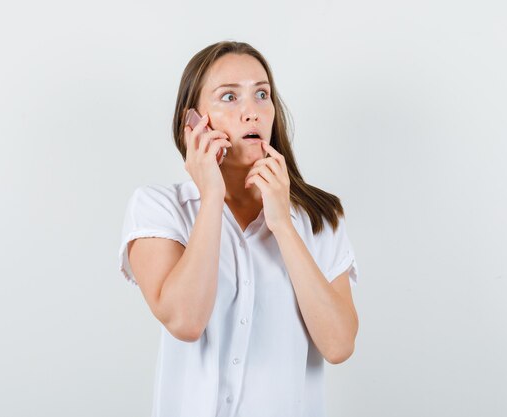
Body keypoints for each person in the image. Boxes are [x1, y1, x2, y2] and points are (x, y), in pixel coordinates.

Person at [118, 40, 360, 417]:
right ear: (193, 121)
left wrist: (282, 224)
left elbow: (339, 345)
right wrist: (211, 196)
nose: (252, 112)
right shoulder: (159, 208)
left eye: (262, 94)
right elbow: (185, 320)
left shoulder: (319, 218)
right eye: (229, 97)